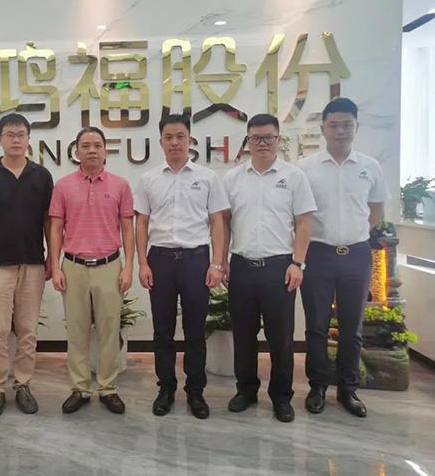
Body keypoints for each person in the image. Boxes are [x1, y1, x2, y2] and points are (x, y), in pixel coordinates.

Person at [298, 98, 391, 418]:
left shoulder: (370, 167)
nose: (340, 131)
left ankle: (348, 390)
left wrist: (356, 234)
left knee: (352, 328)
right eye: (334, 125)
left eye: (347, 125)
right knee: (317, 327)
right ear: (323, 128)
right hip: (318, 255)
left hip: (356, 255)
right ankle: (317, 387)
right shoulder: (305, 168)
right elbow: (299, 216)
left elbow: (376, 209)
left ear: (356, 127)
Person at [221, 113, 316, 423]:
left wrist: (298, 263)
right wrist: (221, 261)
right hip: (242, 267)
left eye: (268, 137)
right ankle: (246, 390)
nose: (262, 143)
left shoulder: (294, 177)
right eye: (255, 138)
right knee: (243, 335)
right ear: (247, 141)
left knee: (281, 338)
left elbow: (304, 222)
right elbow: (223, 223)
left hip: (280, 268)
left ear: (278, 139)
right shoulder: (232, 179)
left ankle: (281, 396)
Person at [134, 114, 229, 419]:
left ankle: (195, 391)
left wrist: (216, 264)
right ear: (161, 142)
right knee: (162, 331)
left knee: (195, 331)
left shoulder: (207, 177)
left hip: (195, 261)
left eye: (180, 137)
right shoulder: (149, 179)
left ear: (190, 140)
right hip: (160, 260)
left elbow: (217, 222)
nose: (174, 142)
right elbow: (141, 223)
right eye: (169, 137)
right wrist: (142, 263)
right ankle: (165, 388)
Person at [0, 113, 54, 418]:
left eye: (21, 135)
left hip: (32, 265)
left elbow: (49, 222)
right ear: (0, 140)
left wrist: (52, 258)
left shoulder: (41, 175)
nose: (16, 140)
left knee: (28, 330)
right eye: (10, 135)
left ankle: (24, 384)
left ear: (29, 139)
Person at [49, 127, 135, 415]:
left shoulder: (121, 185)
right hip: (73, 267)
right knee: (77, 330)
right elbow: (56, 228)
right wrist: (55, 267)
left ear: (105, 151)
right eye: (85, 146)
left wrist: (129, 267)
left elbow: (127, 228)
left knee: (110, 330)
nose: (92, 150)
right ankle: (80, 388)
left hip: (109, 267)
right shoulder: (63, 186)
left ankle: (108, 388)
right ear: (77, 152)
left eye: (97, 145)